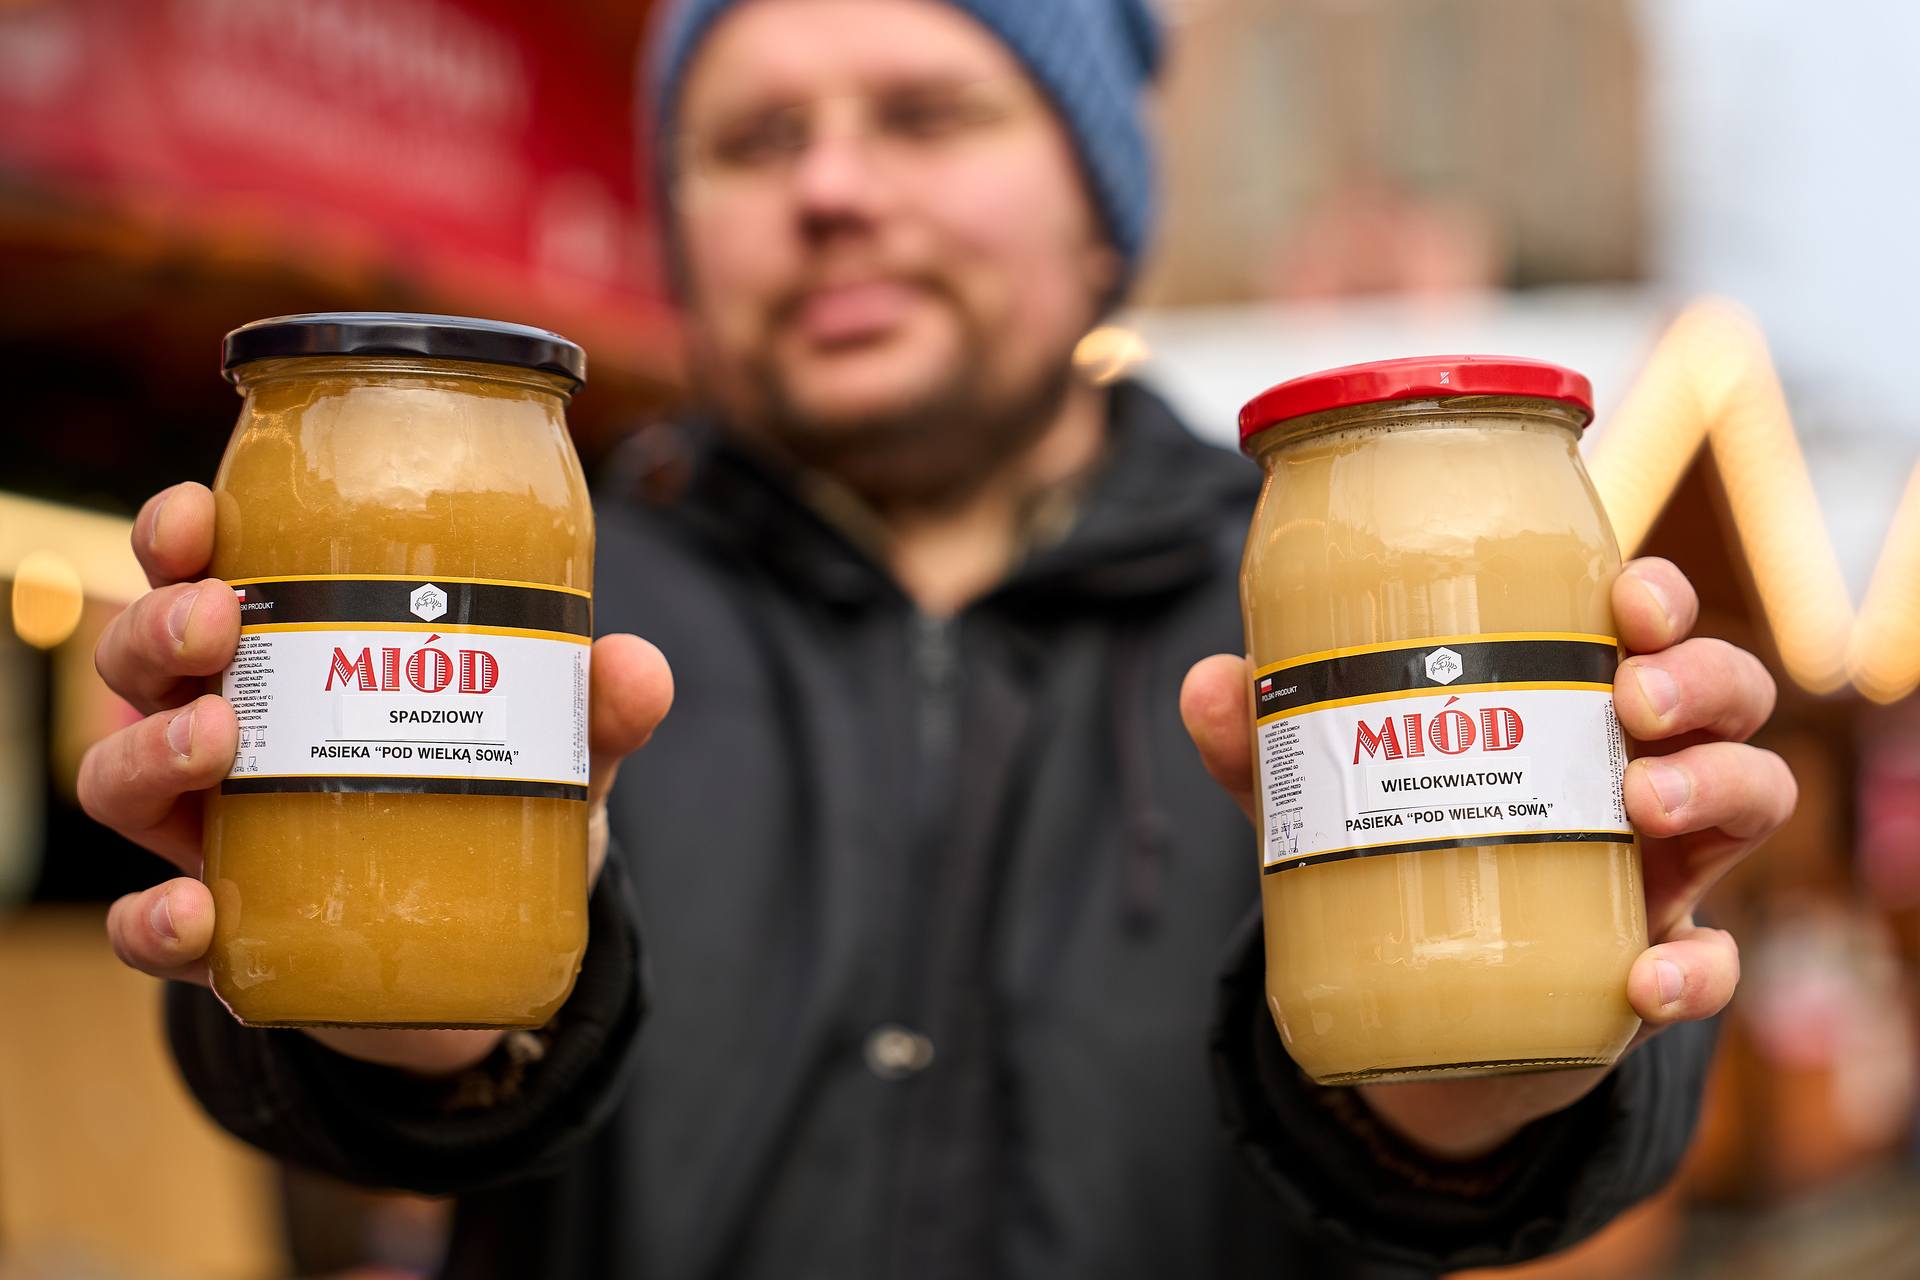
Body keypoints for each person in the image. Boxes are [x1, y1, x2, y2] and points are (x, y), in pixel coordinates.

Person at [80, 1, 1793, 1276]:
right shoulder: (543, 583)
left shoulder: (1338, 579)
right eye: (755, 139)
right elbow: (357, 1132)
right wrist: (393, 1006)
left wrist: (1489, 1088)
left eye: (925, 115)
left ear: (1102, 200)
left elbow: (1507, 1158)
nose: (831, 188)